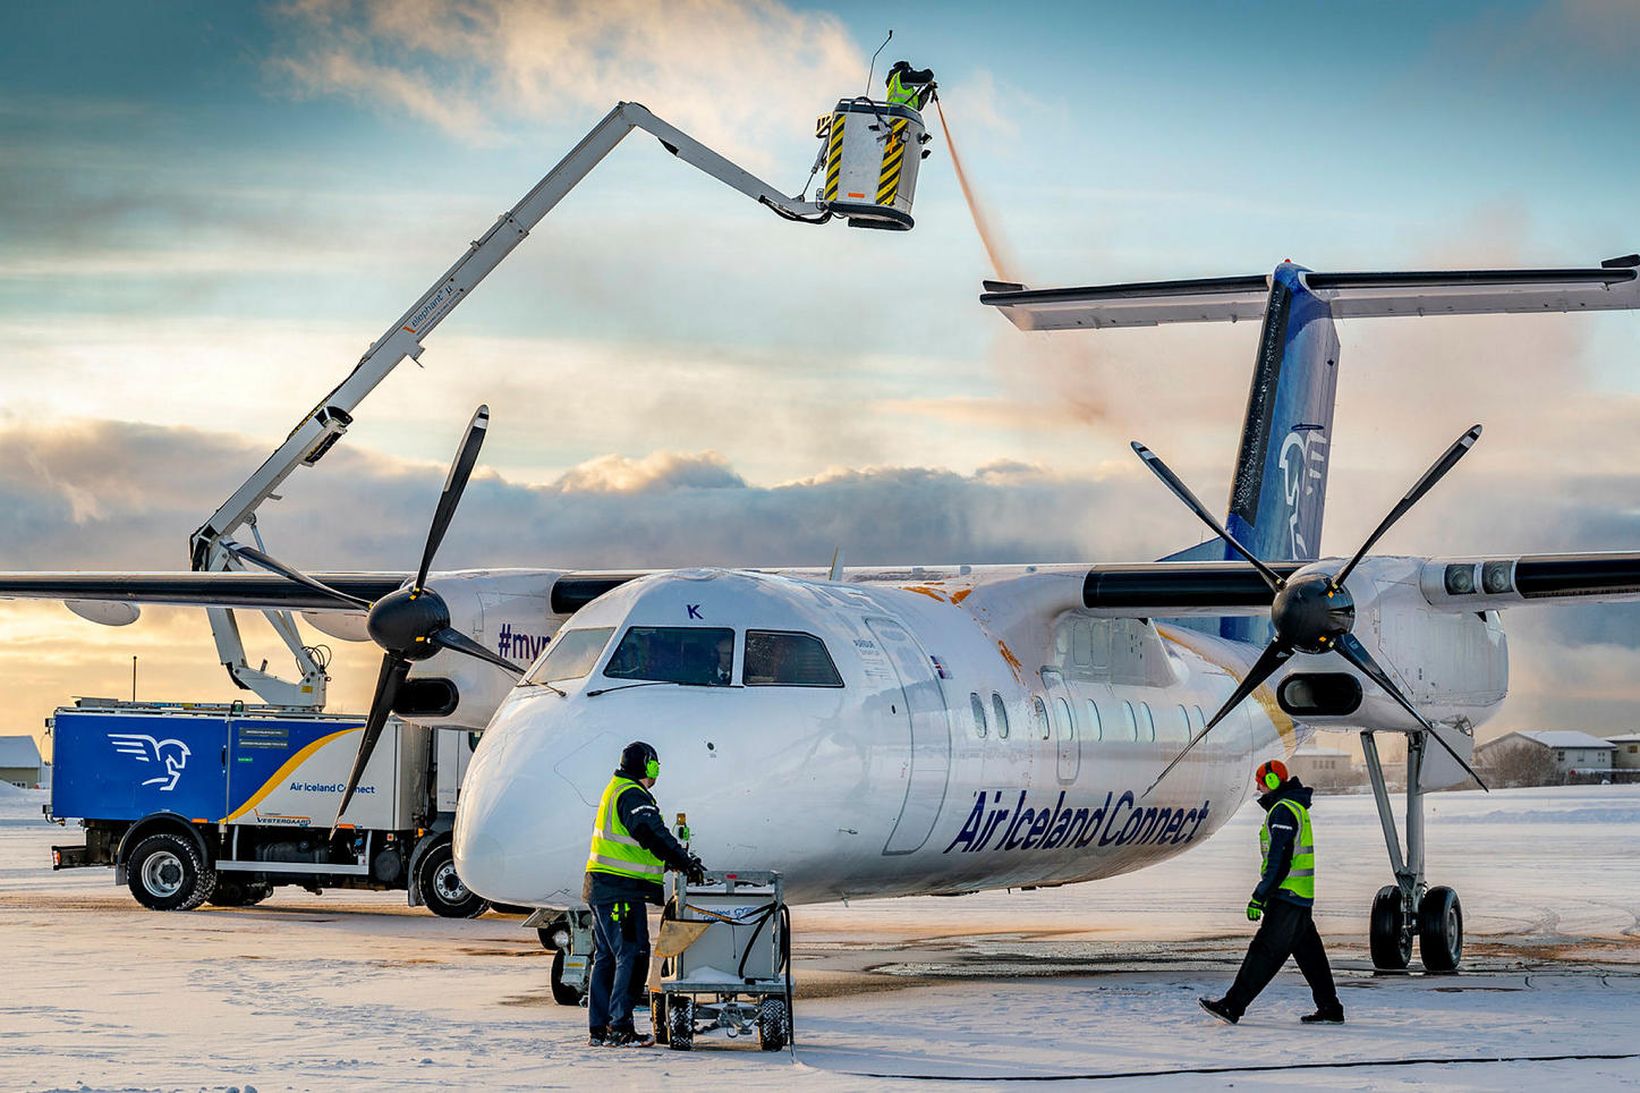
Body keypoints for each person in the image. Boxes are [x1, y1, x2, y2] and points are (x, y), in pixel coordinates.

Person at [1199, 759, 1344, 1026]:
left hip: (1286, 895)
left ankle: (1232, 1006)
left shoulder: (1282, 812)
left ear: (1274, 782)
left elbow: (1280, 860)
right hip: (1299, 896)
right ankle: (1330, 1007)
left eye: (1261, 781)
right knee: (1312, 957)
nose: (1257, 786)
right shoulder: (1292, 807)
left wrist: (1260, 895)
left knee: (1264, 952)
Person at [584, 741, 706, 1047]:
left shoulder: (616, 789)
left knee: (607, 958)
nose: (657, 773)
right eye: (656, 766)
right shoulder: (632, 794)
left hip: (603, 886)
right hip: (620, 889)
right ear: (647, 766)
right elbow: (651, 833)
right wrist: (684, 861)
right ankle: (620, 1027)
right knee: (633, 954)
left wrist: (669, 863)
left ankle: (600, 1028)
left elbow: (635, 844)